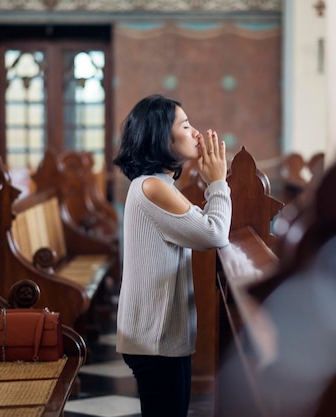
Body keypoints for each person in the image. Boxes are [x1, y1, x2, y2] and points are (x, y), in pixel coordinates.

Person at [113, 94, 232, 417]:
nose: (196, 133)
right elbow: (213, 233)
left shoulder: (157, 184)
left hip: (160, 336)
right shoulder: (153, 187)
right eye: (185, 125)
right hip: (154, 339)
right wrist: (218, 182)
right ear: (161, 136)